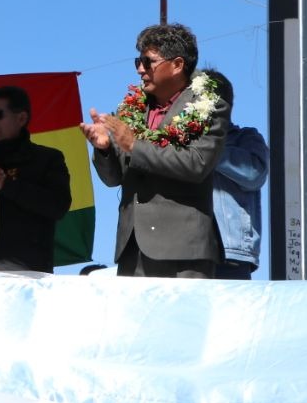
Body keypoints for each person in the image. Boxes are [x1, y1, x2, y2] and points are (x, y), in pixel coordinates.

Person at [79, 23, 230, 278]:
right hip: (131, 250)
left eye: (148, 62)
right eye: (138, 60)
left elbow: (197, 165)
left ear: (177, 64)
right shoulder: (132, 108)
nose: (140, 68)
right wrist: (104, 149)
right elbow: (112, 179)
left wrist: (134, 146)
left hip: (182, 252)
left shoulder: (209, 105)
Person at [0, 85, 72, 273]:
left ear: (21, 118)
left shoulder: (48, 159)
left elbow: (58, 206)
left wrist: (7, 184)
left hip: (27, 270)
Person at [201, 69, 270, 280]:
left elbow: (254, 175)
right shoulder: (180, 142)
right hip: (189, 252)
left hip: (232, 254)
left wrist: (207, 147)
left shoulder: (246, 138)